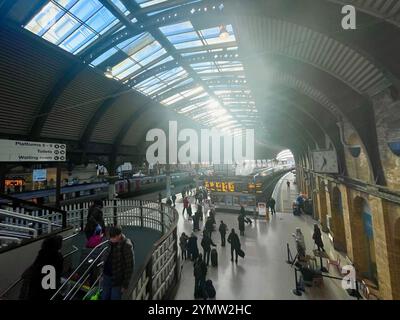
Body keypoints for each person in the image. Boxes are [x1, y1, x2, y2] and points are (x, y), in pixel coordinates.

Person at [19, 235, 64, 300]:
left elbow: (34, 267)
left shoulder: (42, 253)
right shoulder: (58, 257)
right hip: (47, 287)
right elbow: (57, 274)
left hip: (36, 286)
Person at [102, 226, 134, 300]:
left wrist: (125, 284)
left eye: (113, 237)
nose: (111, 239)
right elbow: (105, 257)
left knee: (115, 297)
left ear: (119, 235)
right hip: (106, 275)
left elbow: (130, 266)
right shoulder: (110, 242)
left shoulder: (127, 245)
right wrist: (101, 273)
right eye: (110, 237)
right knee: (104, 296)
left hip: (118, 279)